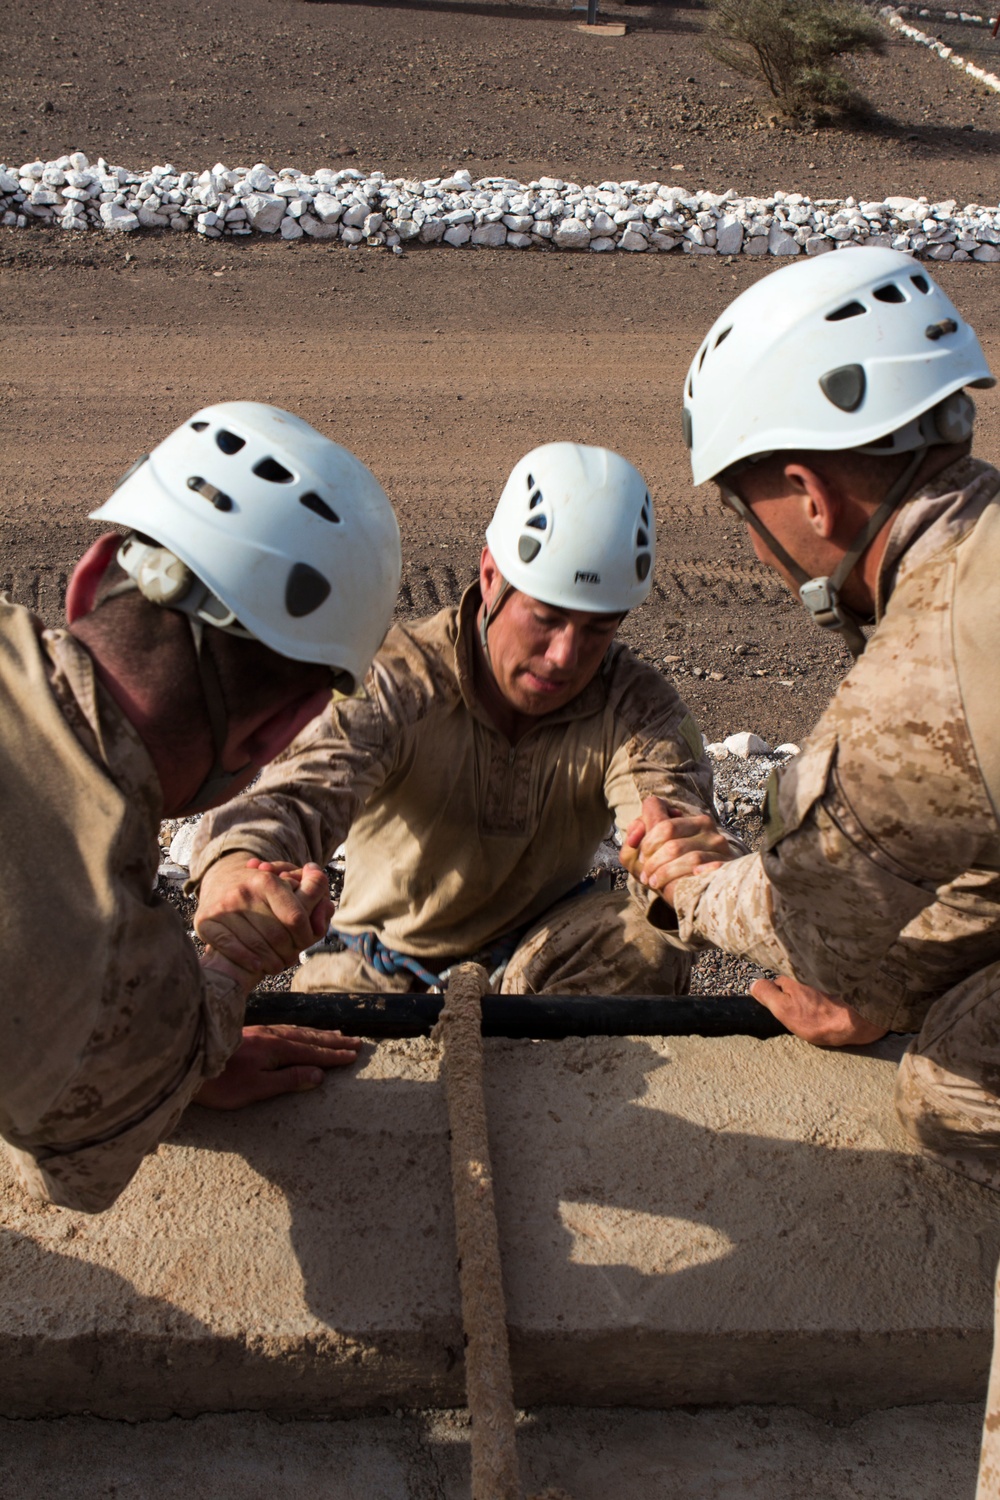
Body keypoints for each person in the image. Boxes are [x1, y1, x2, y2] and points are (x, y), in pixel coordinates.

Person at [622, 246, 1000, 1192]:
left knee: (956, 1088)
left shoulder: (924, 686)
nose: (756, 550)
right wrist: (891, 979)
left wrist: (694, 885)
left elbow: (821, 936)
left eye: (744, 515)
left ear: (809, 495)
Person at [0, 401, 401, 1212]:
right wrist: (217, 986)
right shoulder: (102, 962)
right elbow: (79, 1158)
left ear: (86, 578)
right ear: (278, 732)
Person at [190, 443, 742, 1001]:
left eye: (598, 629)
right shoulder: (397, 681)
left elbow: (677, 820)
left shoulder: (636, 708)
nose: (564, 657)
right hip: (377, 962)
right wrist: (236, 867)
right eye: (545, 618)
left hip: (540, 960)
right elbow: (295, 799)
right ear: (490, 576)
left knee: (650, 944)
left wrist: (692, 867)